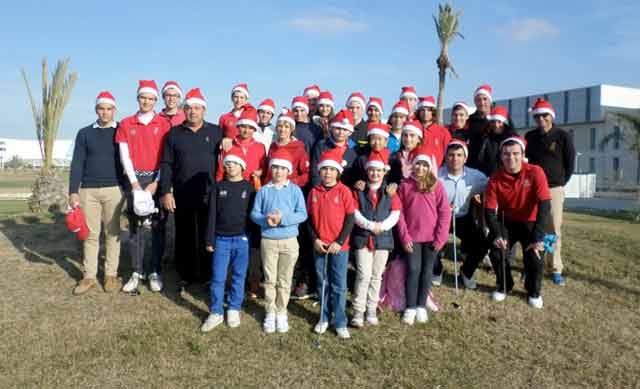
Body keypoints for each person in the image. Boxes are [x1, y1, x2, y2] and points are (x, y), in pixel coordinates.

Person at [160, 88, 223, 289]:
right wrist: (166, 191)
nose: (192, 111)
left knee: (207, 234)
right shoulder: (173, 134)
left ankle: (206, 275)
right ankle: (185, 274)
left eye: (197, 108)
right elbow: (166, 164)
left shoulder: (216, 132)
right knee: (185, 234)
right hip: (181, 193)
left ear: (204, 110)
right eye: (188, 108)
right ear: (183, 110)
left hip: (209, 194)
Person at [116, 80, 171, 293]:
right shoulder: (126, 123)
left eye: (150, 98)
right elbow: (124, 155)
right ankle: (137, 271)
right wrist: (134, 183)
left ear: (155, 100)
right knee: (136, 227)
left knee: (158, 227)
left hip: (156, 181)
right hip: (135, 181)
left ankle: (155, 270)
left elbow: (165, 157)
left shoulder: (164, 124)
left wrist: (156, 182)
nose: (146, 101)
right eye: (143, 97)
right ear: (138, 98)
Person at [485, 136, 551, 309]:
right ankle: (505, 285)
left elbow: (545, 204)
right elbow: (490, 211)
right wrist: (498, 234)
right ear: (501, 156)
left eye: (515, 153)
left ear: (522, 154)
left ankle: (533, 291)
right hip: (507, 222)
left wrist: (538, 237)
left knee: (535, 257)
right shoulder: (495, 178)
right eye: (506, 154)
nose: (511, 158)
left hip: (531, 222)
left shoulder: (535, 172)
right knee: (497, 251)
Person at [69, 91, 125, 295]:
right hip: (88, 190)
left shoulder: (121, 131)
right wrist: (73, 191)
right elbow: (77, 163)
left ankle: (110, 275)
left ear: (114, 110)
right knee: (91, 235)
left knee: (113, 233)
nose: (105, 112)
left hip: (114, 189)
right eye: (101, 108)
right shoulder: (84, 133)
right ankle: (89, 276)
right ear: (96, 110)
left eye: (109, 109)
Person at [250, 149, 308, 333]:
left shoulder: (294, 190)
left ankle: (282, 312)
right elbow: (254, 213)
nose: (278, 171)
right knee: (270, 279)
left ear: (288, 171)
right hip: (268, 240)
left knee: (284, 279)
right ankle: (270, 312)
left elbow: (302, 214)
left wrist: (283, 219)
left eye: (282, 168)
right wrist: (264, 220)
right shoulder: (264, 190)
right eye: (275, 167)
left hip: (289, 241)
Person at [200, 149, 255, 332]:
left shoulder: (249, 188)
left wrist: (250, 238)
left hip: (242, 239)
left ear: (242, 166)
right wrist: (210, 239)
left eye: (233, 163)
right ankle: (216, 311)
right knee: (218, 277)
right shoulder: (218, 187)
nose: (229, 166)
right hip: (221, 239)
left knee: (239, 276)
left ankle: (233, 308)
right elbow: (212, 215)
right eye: (227, 164)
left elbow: (252, 216)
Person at [396, 145, 451, 325]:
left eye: (424, 165)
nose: (420, 168)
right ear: (412, 165)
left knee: (427, 271)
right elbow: (400, 213)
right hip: (411, 238)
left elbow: (444, 212)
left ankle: (421, 305)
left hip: (431, 239)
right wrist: (404, 236)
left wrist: (441, 237)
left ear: (429, 167)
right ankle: (410, 307)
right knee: (413, 270)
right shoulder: (405, 185)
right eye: (417, 164)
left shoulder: (436, 185)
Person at [525, 98, 575, 286]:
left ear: (551, 116)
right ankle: (533, 264)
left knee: (552, 228)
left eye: (544, 115)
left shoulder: (563, 136)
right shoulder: (530, 137)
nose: (541, 119)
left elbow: (569, 165)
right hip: (533, 188)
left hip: (554, 188)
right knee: (532, 226)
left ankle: (554, 267)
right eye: (537, 116)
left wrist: (558, 183)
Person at [307, 148, 356, 339]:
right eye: (324, 169)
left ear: (338, 172)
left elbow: (350, 218)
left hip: (339, 247)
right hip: (320, 246)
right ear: (319, 171)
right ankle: (323, 317)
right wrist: (315, 240)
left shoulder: (344, 191)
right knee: (323, 282)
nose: (328, 173)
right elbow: (309, 220)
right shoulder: (314, 192)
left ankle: (340, 321)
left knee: (339, 284)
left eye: (332, 169)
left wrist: (340, 241)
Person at [350, 152, 401, 327]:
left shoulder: (390, 191)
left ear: (384, 172)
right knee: (363, 274)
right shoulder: (359, 190)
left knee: (376, 275)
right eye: (371, 170)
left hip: (383, 239)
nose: (375, 174)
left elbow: (395, 213)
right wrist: (370, 225)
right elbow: (354, 213)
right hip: (363, 238)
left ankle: (371, 308)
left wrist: (383, 226)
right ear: (367, 172)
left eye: (378, 171)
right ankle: (358, 310)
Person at [436, 139, 490, 288]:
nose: (455, 159)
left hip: (463, 217)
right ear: (446, 157)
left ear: (465, 158)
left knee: (482, 243)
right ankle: (436, 270)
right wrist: (442, 207)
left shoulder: (476, 176)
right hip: (440, 217)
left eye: (459, 155)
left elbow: (491, 186)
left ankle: (466, 272)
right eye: (451, 155)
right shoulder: (436, 175)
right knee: (430, 243)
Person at [215, 106, 266, 187]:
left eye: (250, 128)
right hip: (231, 188)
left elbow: (264, 169)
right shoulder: (229, 145)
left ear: (255, 130)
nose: (246, 131)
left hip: (252, 189)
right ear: (238, 127)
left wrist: (261, 172)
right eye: (243, 127)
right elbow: (220, 171)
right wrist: (217, 189)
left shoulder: (260, 147)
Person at [309, 109, 359, 187]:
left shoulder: (354, 149)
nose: (341, 133)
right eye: (338, 128)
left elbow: (356, 174)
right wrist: (319, 189)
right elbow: (315, 171)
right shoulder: (322, 145)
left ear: (350, 132)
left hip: (346, 192)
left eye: (345, 130)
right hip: (323, 190)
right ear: (332, 128)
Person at [264, 109, 310, 187]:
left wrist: (292, 183)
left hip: (289, 189)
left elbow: (306, 174)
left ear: (291, 129)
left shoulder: (298, 148)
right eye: (280, 126)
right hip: (272, 188)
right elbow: (268, 171)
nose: (282, 130)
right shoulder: (273, 146)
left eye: (286, 127)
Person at [474, 106, 516, 177]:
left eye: (499, 122)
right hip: (488, 178)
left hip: (507, 178)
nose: (496, 125)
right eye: (493, 122)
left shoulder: (512, 139)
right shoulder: (485, 138)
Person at [416, 96, 451, 164]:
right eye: (423, 110)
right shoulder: (414, 130)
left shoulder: (443, 132)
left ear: (433, 112)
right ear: (419, 112)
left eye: (429, 110)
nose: (425, 113)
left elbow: (448, 153)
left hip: (438, 171)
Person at [389, 119, 423, 185]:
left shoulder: (424, 156)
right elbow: (391, 180)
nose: (408, 139)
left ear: (419, 139)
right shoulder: (394, 156)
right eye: (405, 135)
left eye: (412, 135)